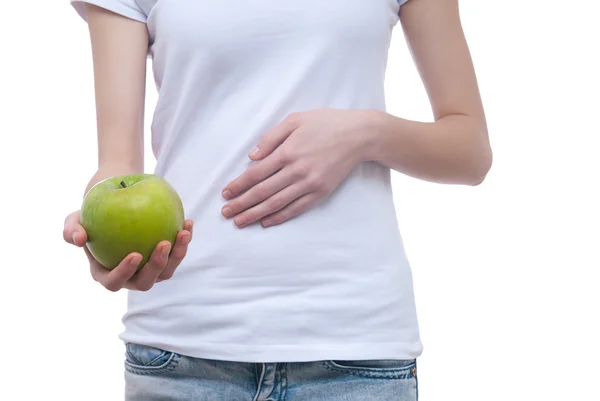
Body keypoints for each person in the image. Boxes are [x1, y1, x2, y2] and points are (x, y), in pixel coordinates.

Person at [63, 0, 492, 399]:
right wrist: (98, 231)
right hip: (182, 353)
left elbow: (470, 152)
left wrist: (366, 133)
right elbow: (117, 169)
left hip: (356, 351)